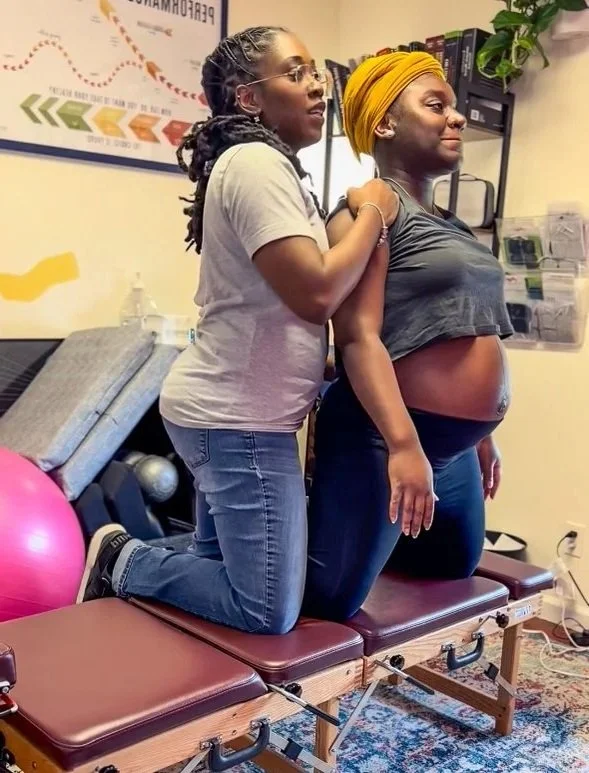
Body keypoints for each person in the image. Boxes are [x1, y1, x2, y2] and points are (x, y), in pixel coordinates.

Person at [76, 27, 399, 634]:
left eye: (315, 73)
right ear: (249, 98)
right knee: (267, 607)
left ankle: (160, 617)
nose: (318, 87)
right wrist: (376, 210)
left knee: (220, 565)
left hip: (231, 412)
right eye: (296, 73)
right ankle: (127, 559)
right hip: (238, 423)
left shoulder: (270, 168)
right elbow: (317, 289)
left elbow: (280, 301)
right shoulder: (254, 164)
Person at [302, 51, 515, 622]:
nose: (458, 118)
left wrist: (479, 434)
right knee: (329, 600)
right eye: (435, 105)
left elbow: (469, 326)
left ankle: (360, 530)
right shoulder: (368, 212)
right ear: (386, 124)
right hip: (385, 434)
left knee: (451, 566)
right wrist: (402, 444)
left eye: (455, 106)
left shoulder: (455, 228)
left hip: (452, 447)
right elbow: (357, 338)